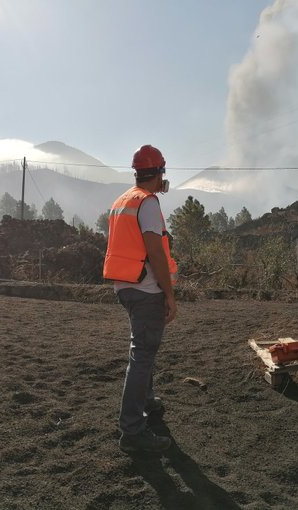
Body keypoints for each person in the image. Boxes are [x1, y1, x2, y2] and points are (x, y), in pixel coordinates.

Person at [103, 144, 178, 454]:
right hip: (146, 289)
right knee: (142, 354)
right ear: (158, 173)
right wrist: (170, 295)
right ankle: (132, 431)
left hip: (125, 286)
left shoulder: (122, 201)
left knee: (141, 348)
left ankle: (147, 403)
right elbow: (156, 253)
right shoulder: (148, 203)